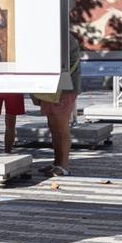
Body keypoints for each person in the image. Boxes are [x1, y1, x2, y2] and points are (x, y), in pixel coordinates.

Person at [32, 35, 81, 176]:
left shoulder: (66, 39)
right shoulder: (51, 37)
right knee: (53, 127)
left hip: (64, 88)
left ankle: (64, 165)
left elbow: (64, 62)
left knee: (61, 129)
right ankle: (57, 162)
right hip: (50, 88)